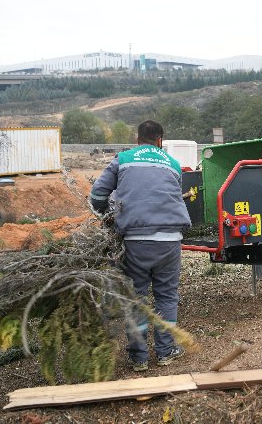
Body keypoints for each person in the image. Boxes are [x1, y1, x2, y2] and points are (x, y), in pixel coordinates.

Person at [89, 120, 192, 372]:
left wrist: (108, 217)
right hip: (170, 241)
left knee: (136, 297)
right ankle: (166, 351)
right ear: (160, 141)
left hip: (136, 241)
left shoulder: (123, 159)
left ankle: (139, 358)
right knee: (166, 295)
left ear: (137, 140)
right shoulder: (173, 164)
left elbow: (97, 196)